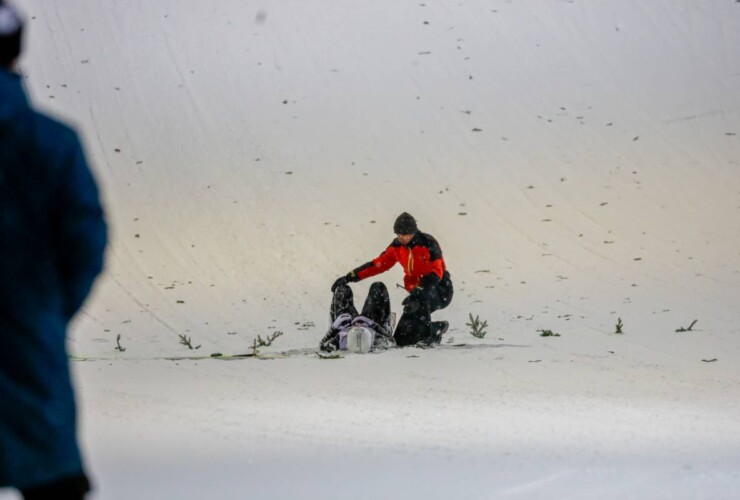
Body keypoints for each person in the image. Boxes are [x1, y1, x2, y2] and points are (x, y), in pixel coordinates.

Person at [0, 2, 107, 498]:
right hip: (30, 348)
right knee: (52, 479)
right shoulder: (54, 143)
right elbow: (86, 243)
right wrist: (45, 310)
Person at [330, 212, 452, 347]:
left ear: (414, 232)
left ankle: (430, 336)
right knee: (401, 340)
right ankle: (436, 327)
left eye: (406, 235)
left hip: (439, 288)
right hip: (416, 292)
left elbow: (437, 272)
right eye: (399, 235)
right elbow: (377, 264)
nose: (402, 238)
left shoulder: (428, 243)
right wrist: (350, 277)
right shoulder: (396, 247)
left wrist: (419, 290)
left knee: (420, 302)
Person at [319, 281, 396, 353]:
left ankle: (335, 319)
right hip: (373, 325)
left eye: (355, 329)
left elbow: (322, 345)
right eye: (361, 329)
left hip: (344, 325)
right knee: (378, 287)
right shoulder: (376, 340)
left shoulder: (341, 340)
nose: (358, 326)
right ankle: (387, 325)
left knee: (342, 289)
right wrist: (372, 324)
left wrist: (334, 327)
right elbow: (392, 342)